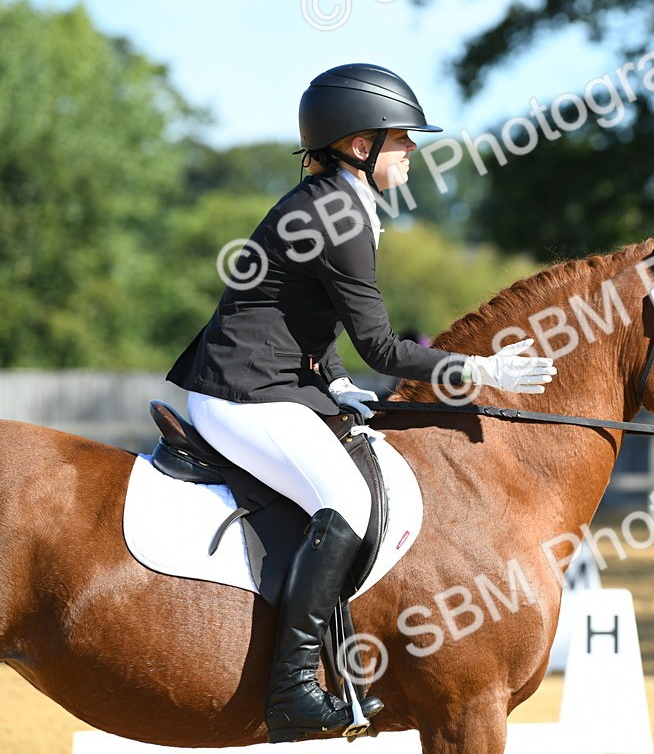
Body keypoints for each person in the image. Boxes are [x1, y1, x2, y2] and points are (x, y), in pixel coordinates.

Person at [166, 63, 557, 743]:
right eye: (399, 137)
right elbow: (382, 346)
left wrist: (335, 382)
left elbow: (309, 316)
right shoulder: (338, 211)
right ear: (357, 145)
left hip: (274, 382)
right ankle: (292, 690)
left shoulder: (332, 201)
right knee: (344, 502)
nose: (411, 149)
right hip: (241, 393)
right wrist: (481, 367)